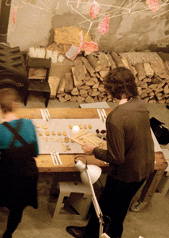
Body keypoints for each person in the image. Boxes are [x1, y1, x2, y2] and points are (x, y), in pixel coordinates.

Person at [66, 67, 155, 238]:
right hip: (144, 167)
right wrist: (116, 136)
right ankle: (96, 232)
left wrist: (94, 150)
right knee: (119, 208)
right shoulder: (140, 104)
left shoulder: (115, 117)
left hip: (126, 174)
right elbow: (134, 132)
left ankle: (92, 235)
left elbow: (116, 158)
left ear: (112, 89)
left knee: (106, 208)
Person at [0, 88, 39, 238]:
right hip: (29, 176)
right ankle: (8, 235)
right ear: (16, 105)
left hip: (7, 176)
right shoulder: (29, 124)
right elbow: (35, 152)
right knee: (17, 209)